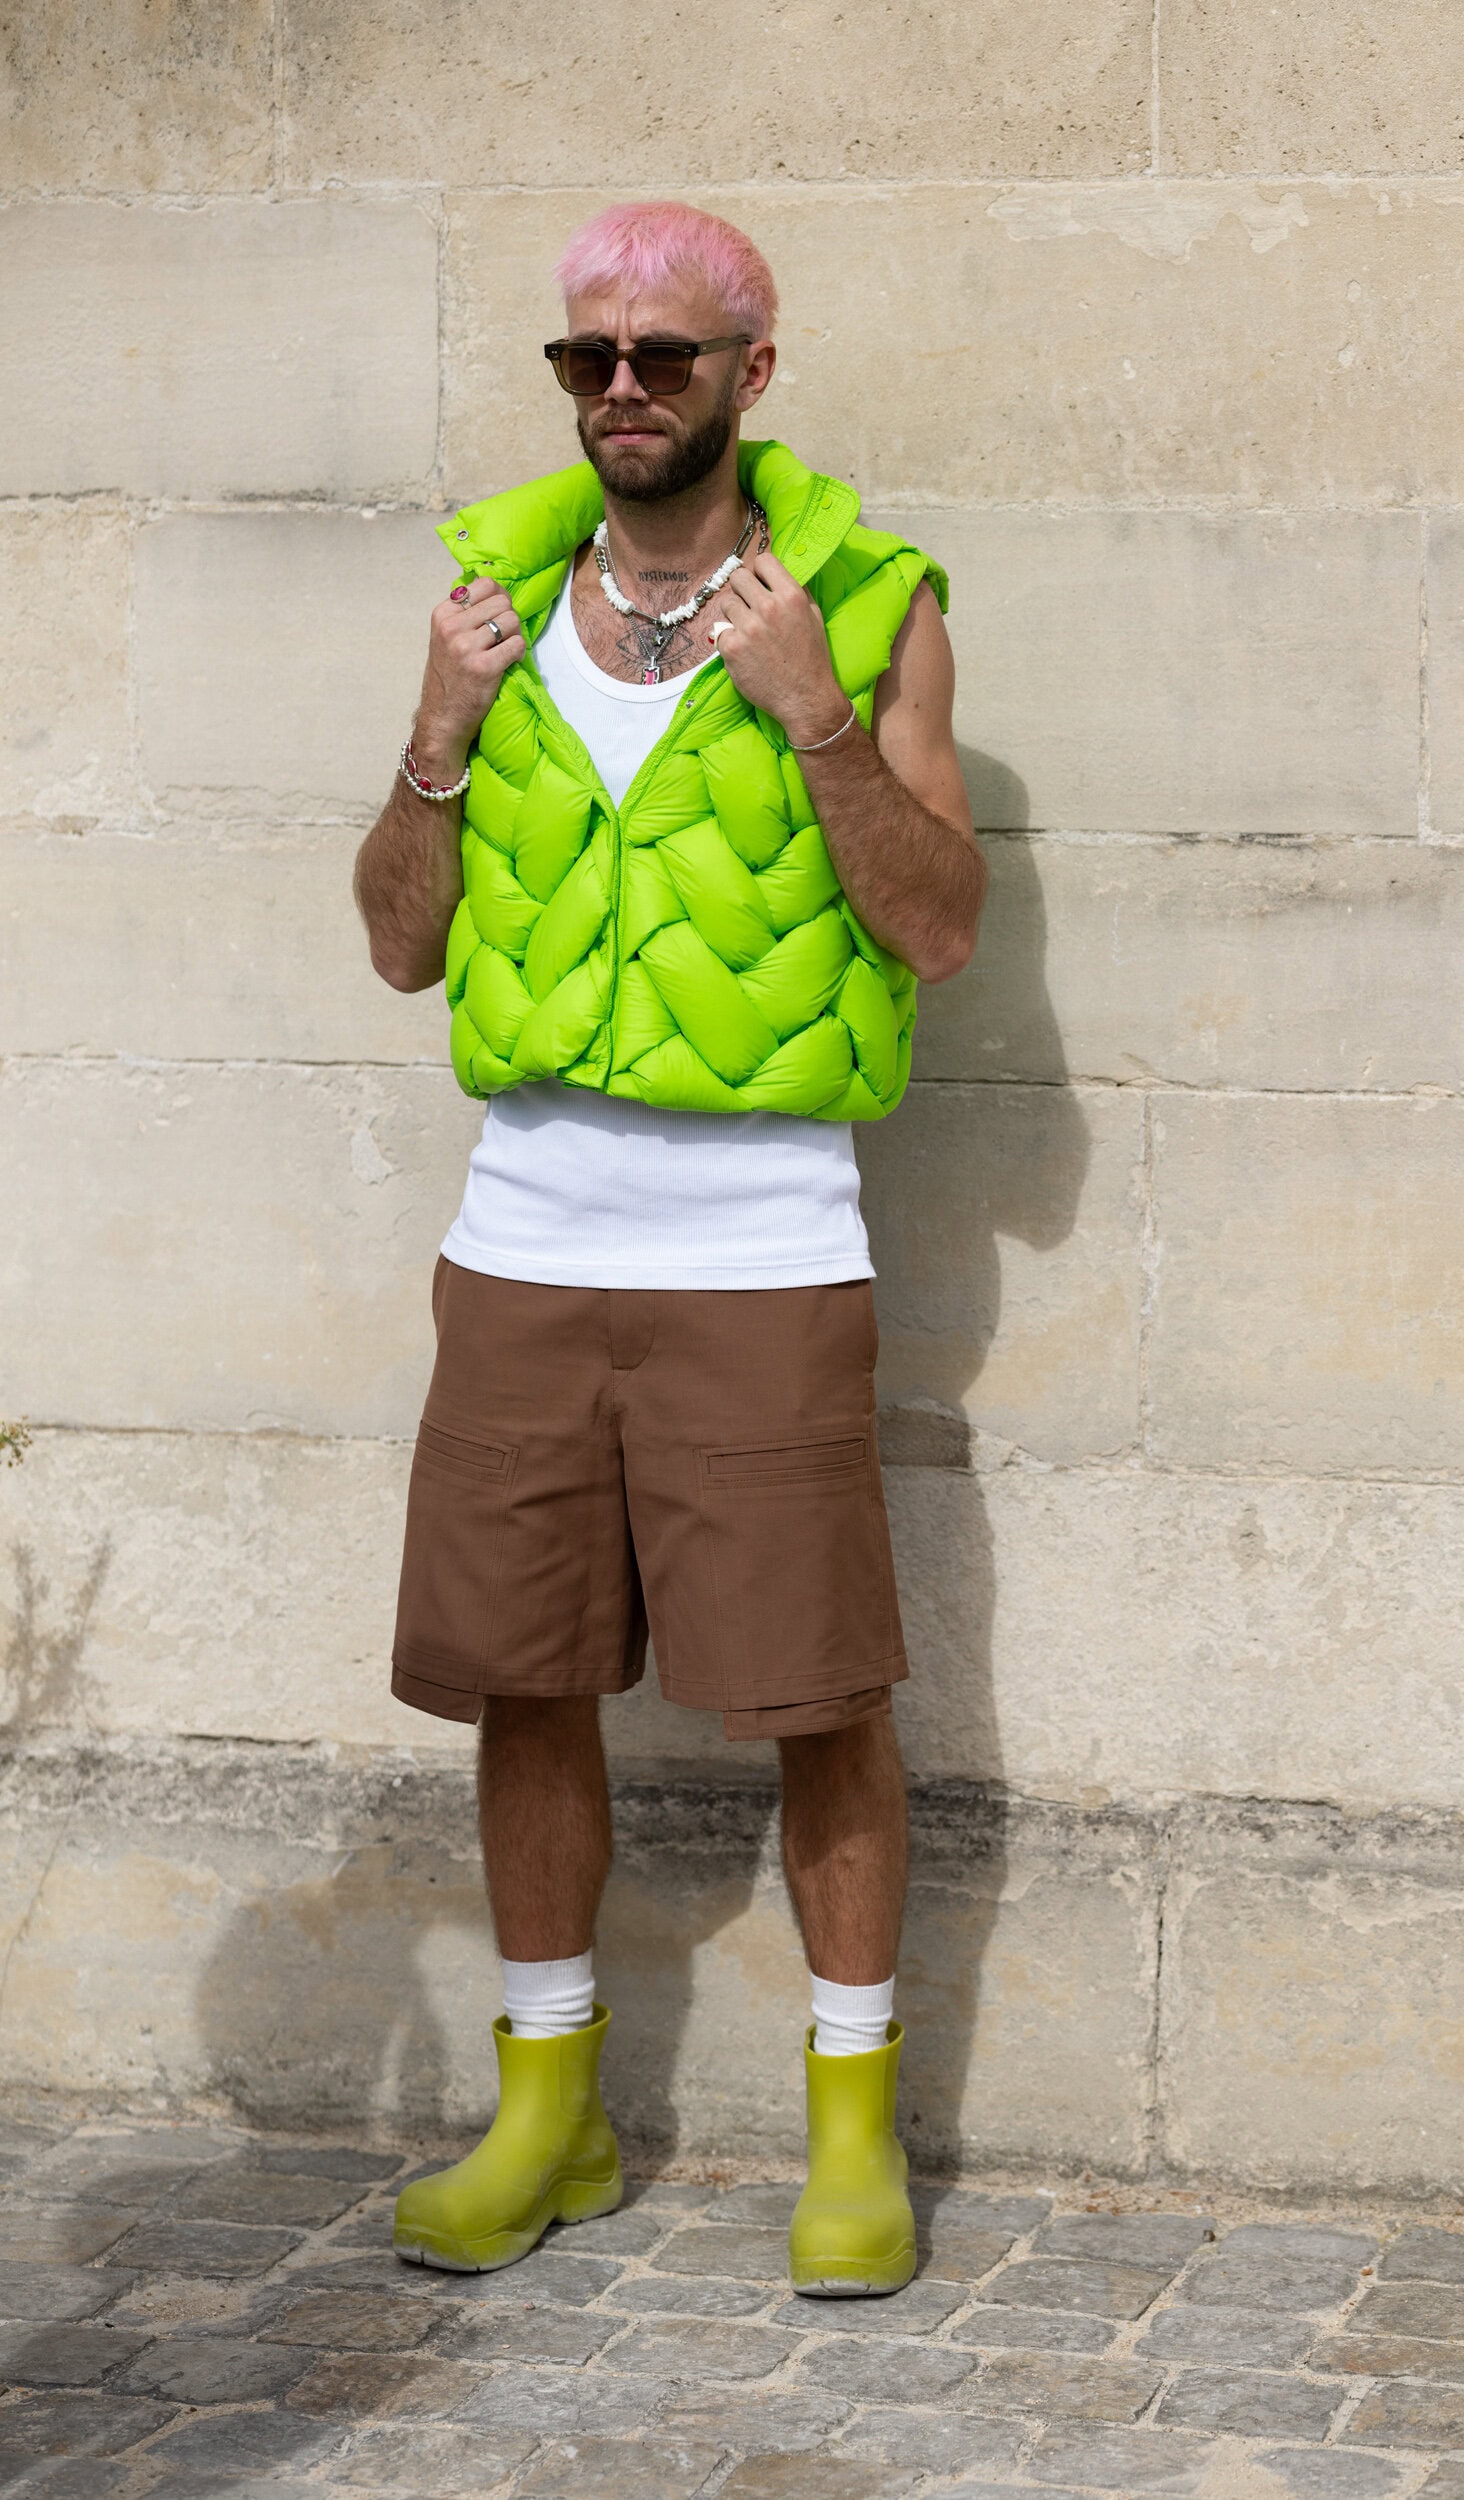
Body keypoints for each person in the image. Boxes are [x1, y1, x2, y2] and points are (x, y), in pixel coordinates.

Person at [352, 199, 984, 2296]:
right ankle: (550, 2110)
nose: (621, 389)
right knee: (521, 1685)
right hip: (523, 1249)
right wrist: (435, 736)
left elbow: (939, 928)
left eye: (664, 356)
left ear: (751, 372)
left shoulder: (871, 604)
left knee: (821, 1697)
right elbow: (401, 944)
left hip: (762, 1255)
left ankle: (853, 2131)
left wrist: (817, 716)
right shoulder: (492, 603)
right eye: (587, 356)